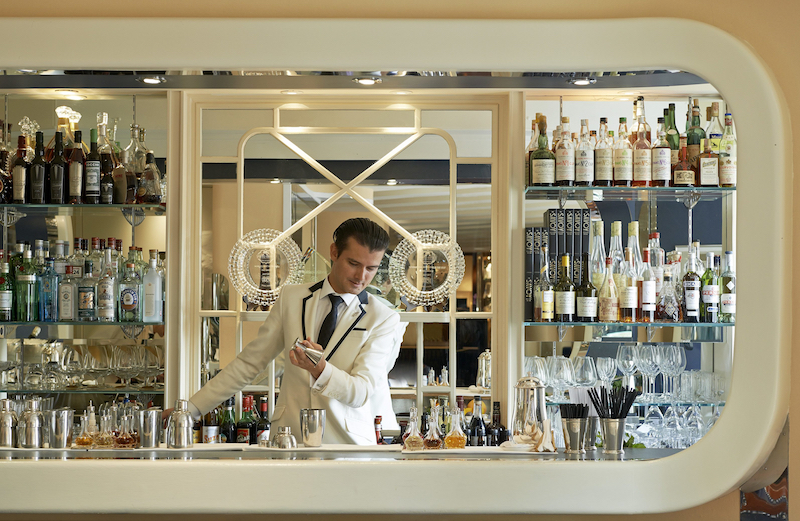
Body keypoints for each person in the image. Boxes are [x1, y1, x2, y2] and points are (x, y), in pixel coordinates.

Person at [185, 218, 400, 445]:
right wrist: (190, 410)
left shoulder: (383, 318)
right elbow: (249, 363)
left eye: (371, 268)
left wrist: (321, 370)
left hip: (346, 446)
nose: (361, 276)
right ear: (334, 252)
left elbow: (361, 392)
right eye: (353, 263)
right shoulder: (291, 298)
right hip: (288, 439)